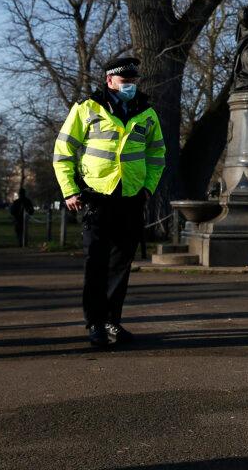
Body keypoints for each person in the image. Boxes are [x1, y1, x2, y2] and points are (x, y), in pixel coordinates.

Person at [53, 56, 167, 348]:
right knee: (96, 264)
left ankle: (111, 322)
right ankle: (94, 324)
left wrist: (147, 189)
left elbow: (157, 156)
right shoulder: (87, 108)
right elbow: (63, 150)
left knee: (121, 264)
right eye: (124, 81)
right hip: (96, 197)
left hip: (130, 197)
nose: (130, 86)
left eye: (133, 82)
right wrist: (69, 190)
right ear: (109, 81)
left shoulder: (147, 113)